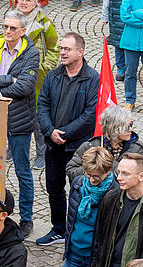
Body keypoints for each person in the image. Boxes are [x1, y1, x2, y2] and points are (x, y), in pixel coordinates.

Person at [36, 32, 100, 246]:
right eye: (61, 48)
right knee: (54, 187)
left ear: (80, 52)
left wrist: (65, 133)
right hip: (53, 145)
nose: (62, 52)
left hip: (78, 147)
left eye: (67, 49)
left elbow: (90, 114)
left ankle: (80, 231)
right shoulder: (53, 76)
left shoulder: (93, 79)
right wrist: (50, 130)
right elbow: (43, 103)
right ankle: (59, 228)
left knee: (80, 189)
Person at [0, 10, 40, 237]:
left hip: (19, 120)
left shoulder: (31, 53)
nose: (7, 31)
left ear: (23, 31)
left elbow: (25, 88)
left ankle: (26, 218)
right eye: (5, 26)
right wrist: (8, 80)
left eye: (12, 28)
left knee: (22, 170)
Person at [51, 146, 114, 267]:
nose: (92, 180)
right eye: (89, 174)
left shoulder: (115, 193)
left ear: (108, 171)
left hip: (97, 261)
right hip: (75, 255)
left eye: (97, 177)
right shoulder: (79, 183)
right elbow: (71, 218)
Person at [67, 105, 143, 181]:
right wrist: (92, 171)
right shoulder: (90, 146)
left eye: (131, 125)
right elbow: (71, 170)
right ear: (113, 129)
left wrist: (109, 165)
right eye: (127, 127)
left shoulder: (136, 148)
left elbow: (142, 175)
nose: (131, 129)